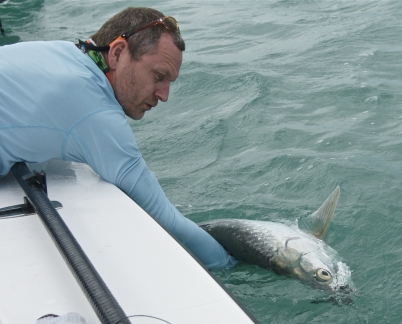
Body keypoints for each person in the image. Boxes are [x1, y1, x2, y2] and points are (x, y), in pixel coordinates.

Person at [0, 7, 237, 270]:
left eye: (169, 82)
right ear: (117, 53)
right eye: (158, 76)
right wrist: (228, 264)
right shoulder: (93, 109)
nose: (164, 95)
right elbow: (164, 217)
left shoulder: (61, 53)